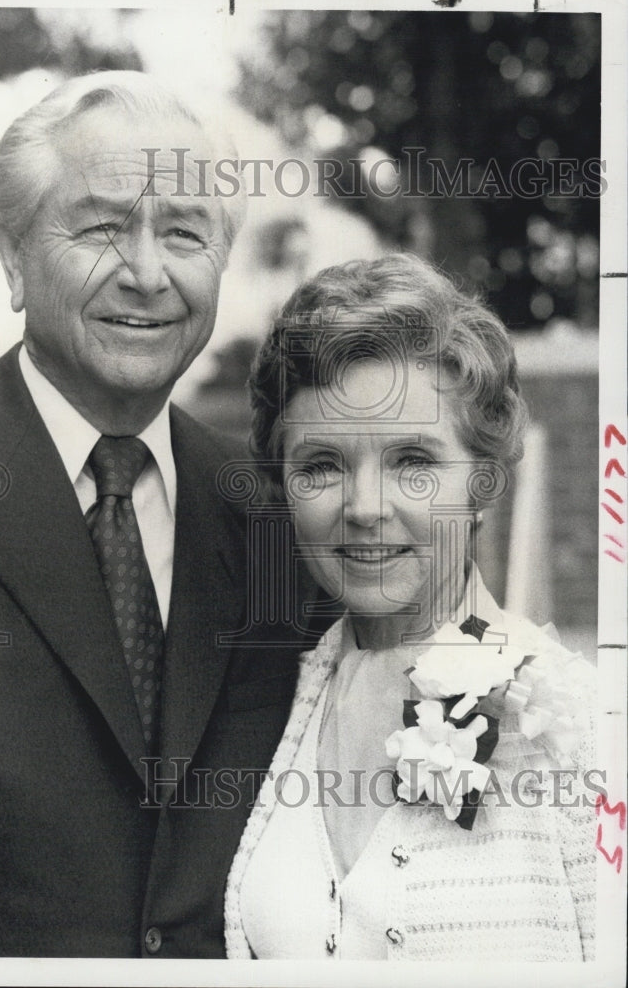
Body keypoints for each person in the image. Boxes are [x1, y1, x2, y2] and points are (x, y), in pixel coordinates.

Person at [0, 71, 318, 957]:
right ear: (14, 259)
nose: (147, 274)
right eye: (101, 229)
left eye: (185, 233)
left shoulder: (279, 521)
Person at [224, 253, 597, 961]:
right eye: (322, 465)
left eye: (413, 463)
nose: (365, 508)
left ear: (483, 483)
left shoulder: (581, 728)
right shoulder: (271, 706)